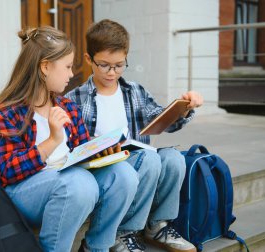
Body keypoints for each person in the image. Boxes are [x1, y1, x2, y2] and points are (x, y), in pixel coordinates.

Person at [0, 26, 140, 252]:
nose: (70, 74)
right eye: (67, 67)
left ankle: (96, 247)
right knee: (79, 183)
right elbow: (7, 171)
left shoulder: (67, 107)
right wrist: (52, 141)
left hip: (70, 186)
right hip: (23, 194)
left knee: (124, 175)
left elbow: (82, 152)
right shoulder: (7, 114)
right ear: (45, 67)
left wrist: (102, 151)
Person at [65, 19, 203, 252]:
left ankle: (156, 226)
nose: (112, 72)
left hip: (138, 160)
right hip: (106, 169)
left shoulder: (135, 91)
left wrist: (184, 107)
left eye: (119, 65)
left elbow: (161, 119)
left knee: (173, 159)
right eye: (104, 65)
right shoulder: (76, 99)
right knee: (149, 160)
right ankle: (123, 233)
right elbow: (72, 147)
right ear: (89, 59)